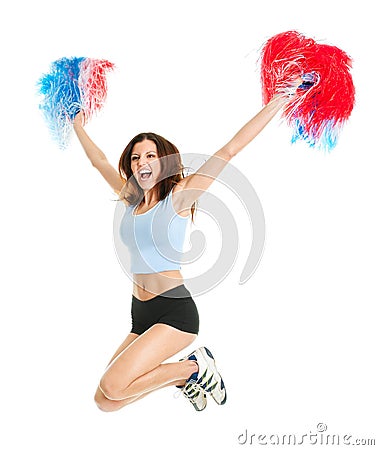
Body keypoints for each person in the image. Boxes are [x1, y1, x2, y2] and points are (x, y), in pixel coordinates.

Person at [73, 89, 294, 413]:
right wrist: (77, 123)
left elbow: (229, 150)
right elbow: (98, 162)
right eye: (136, 157)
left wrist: (281, 100)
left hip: (174, 313)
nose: (142, 162)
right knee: (105, 401)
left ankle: (194, 367)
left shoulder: (178, 197)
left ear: (163, 162)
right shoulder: (130, 198)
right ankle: (182, 379)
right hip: (141, 314)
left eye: (150, 156)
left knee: (113, 384)